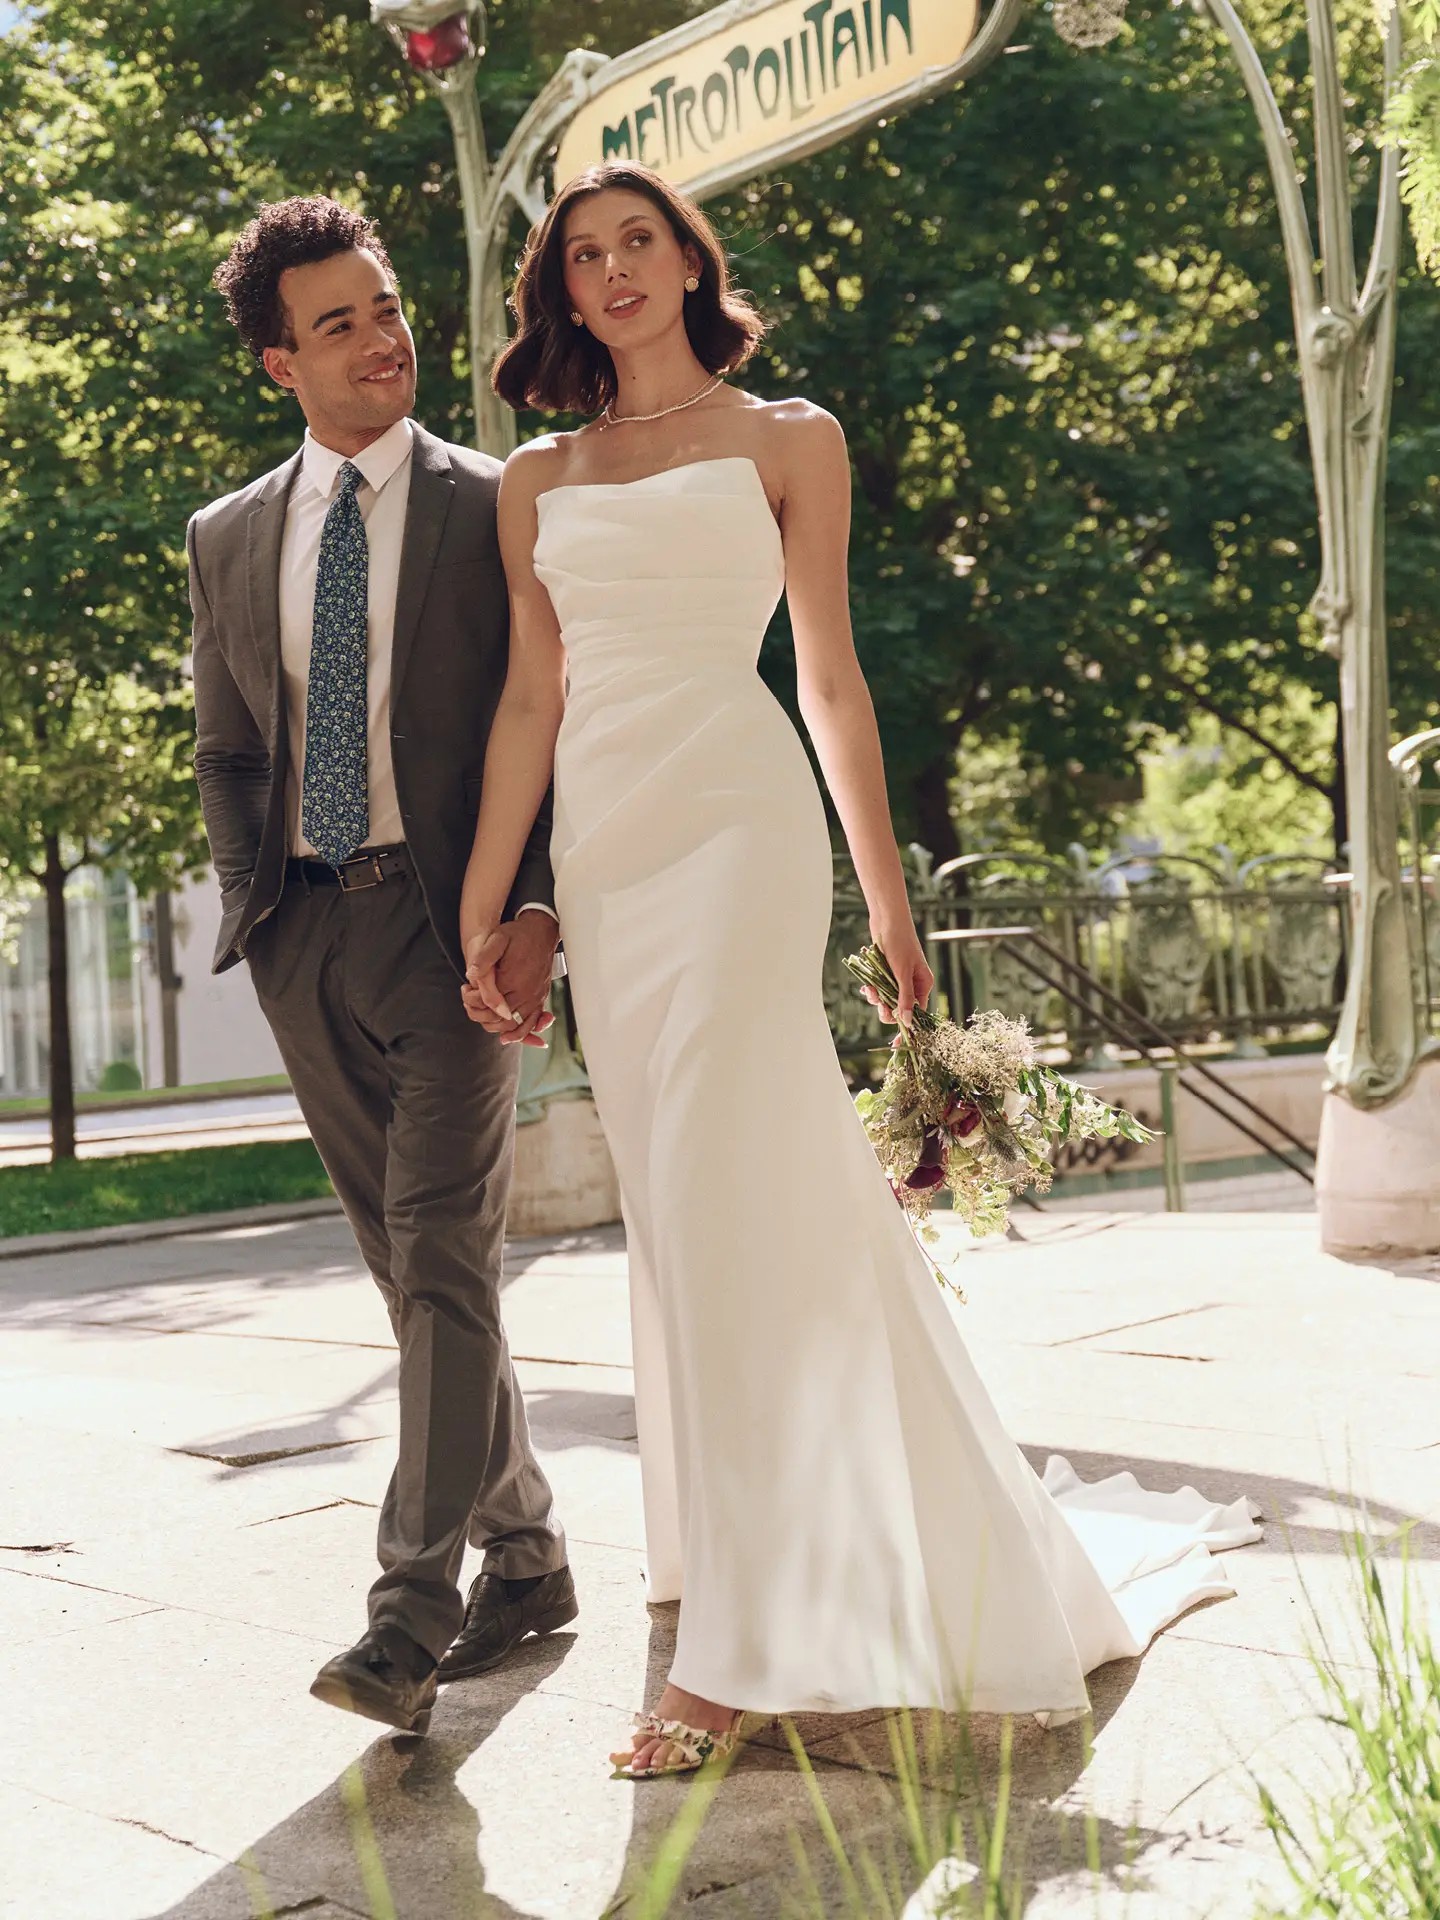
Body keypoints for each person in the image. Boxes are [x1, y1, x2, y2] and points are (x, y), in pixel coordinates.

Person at [459, 162, 1261, 1780]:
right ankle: (729, 1561)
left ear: (693, 263)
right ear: (563, 287)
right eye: (584, 253)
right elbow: (532, 704)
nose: (613, 271)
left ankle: (745, 1655)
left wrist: (890, 904)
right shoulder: (533, 479)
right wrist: (489, 903)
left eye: (640, 243)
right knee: (692, 1213)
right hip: (610, 858)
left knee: (742, 1192)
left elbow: (826, 675)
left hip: (744, 834)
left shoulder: (789, 438)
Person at [189, 196, 575, 1738]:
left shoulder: (503, 504)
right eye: (338, 321)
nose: (382, 337)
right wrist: (254, 908)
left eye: (389, 306)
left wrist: (532, 908)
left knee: (442, 1252)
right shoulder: (228, 535)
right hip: (304, 931)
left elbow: (558, 723)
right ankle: (531, 1550)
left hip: (453, 922)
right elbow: (227, 743)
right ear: (280, 359)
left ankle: (409, 1611)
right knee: (413, 1269)